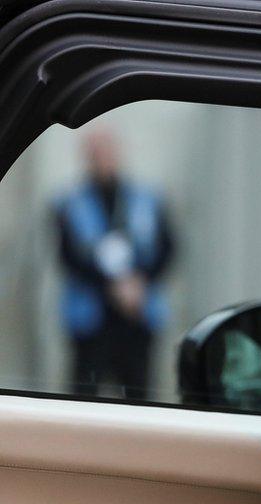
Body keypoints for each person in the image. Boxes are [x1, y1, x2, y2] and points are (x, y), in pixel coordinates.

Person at [55, 129, 174, 399]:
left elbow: (168, 248)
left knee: (138, 395)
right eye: (96, 153)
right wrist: (112, 288)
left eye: (107, 151)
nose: (103, 159)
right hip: (92, 321)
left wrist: (140, 283)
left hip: (137, 316)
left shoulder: (147, 199)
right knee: (84, 395)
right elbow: (68, 257)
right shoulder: (70, 203)